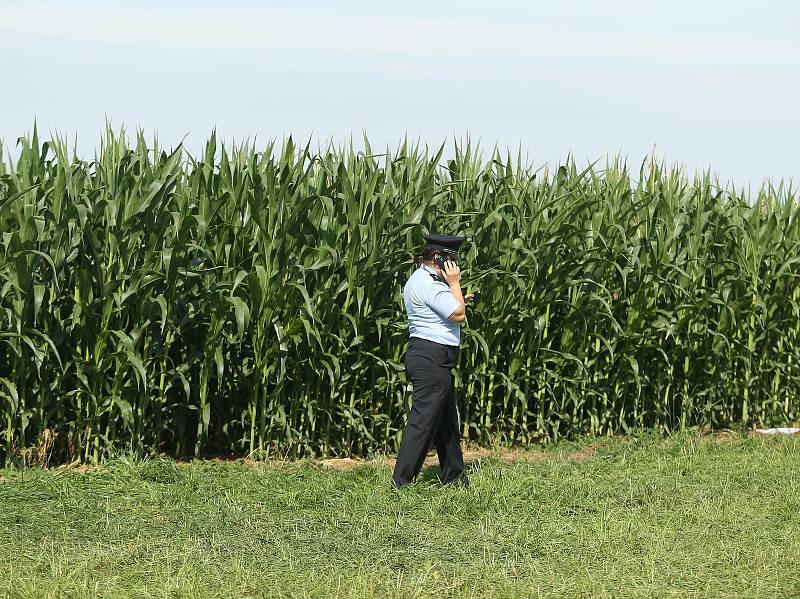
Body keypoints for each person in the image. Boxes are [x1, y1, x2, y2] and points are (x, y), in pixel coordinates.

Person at [392, 233, 475, 488]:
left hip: (433, 358)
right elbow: (458, 315)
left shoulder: (425, 280)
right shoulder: (429, 282)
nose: (454, 267)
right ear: (439, 258)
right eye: (451, 260)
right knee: (423, 420)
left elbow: (450, 307)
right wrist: (455, 284)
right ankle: (401, 480)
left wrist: (457, 294)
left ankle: (454, 475)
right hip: (431, 358)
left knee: (446, 420)